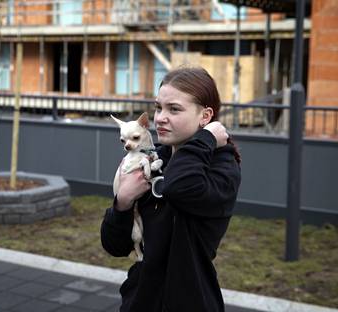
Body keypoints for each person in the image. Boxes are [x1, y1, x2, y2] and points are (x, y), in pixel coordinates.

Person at [101, 67, 241, 312]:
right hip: (140, 301)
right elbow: (115, 246)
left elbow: (178, 186)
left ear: (205, 116)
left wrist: (205, 139)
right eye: (158, 107)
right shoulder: (151, 161)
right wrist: (122, 201)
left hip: (192, 301)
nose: (160, 118)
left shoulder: (222, 168)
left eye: (174, 109)